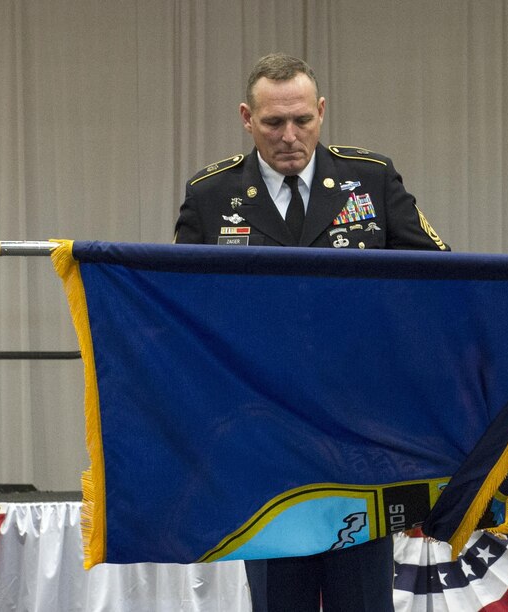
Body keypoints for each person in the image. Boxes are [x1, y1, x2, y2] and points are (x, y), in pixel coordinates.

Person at [175, 53, 448, 612]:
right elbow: (184, 312)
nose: (289, 136)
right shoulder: (211, 197)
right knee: (280, 597)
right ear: (247, 119)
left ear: (321, 112)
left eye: (302, 120)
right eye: (274, 123)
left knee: (364, 597)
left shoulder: (370, 179)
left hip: (359, 427)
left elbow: (437, 274)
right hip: (265, 428)